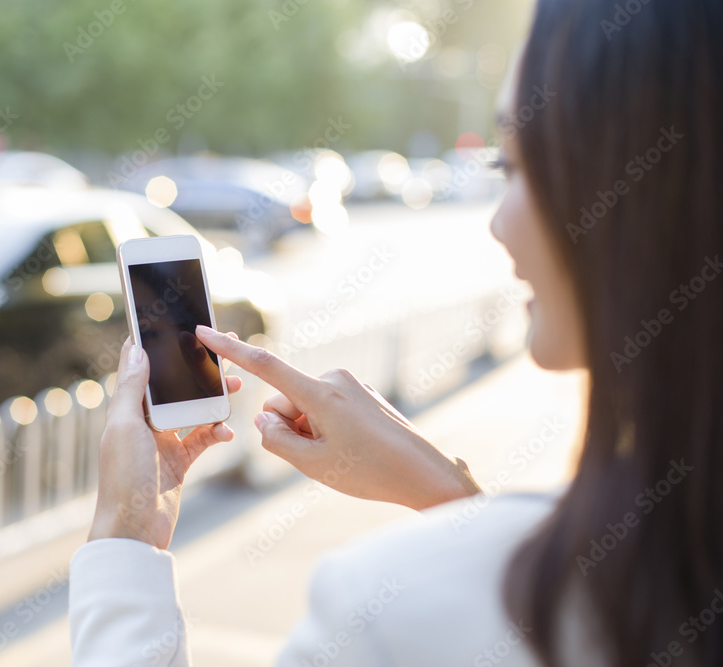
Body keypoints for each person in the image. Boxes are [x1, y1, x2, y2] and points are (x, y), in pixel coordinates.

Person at [69, 0, 723, 664]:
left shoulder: (390, 611)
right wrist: (452, 496)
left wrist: (126, 540)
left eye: (515, 167)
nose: (498, 223)